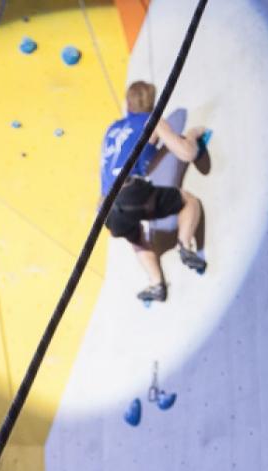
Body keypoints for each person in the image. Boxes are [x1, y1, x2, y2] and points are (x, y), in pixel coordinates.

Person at [99, 80, 208, 304]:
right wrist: (193, 135)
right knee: (189, 201)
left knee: (134, 233)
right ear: (153, 103)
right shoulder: (151, 121)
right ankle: (185, 245)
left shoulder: (111, 129)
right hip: (130, 192)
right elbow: (186, 154)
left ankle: (156, 283)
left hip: (104, 209)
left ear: (127, 104)